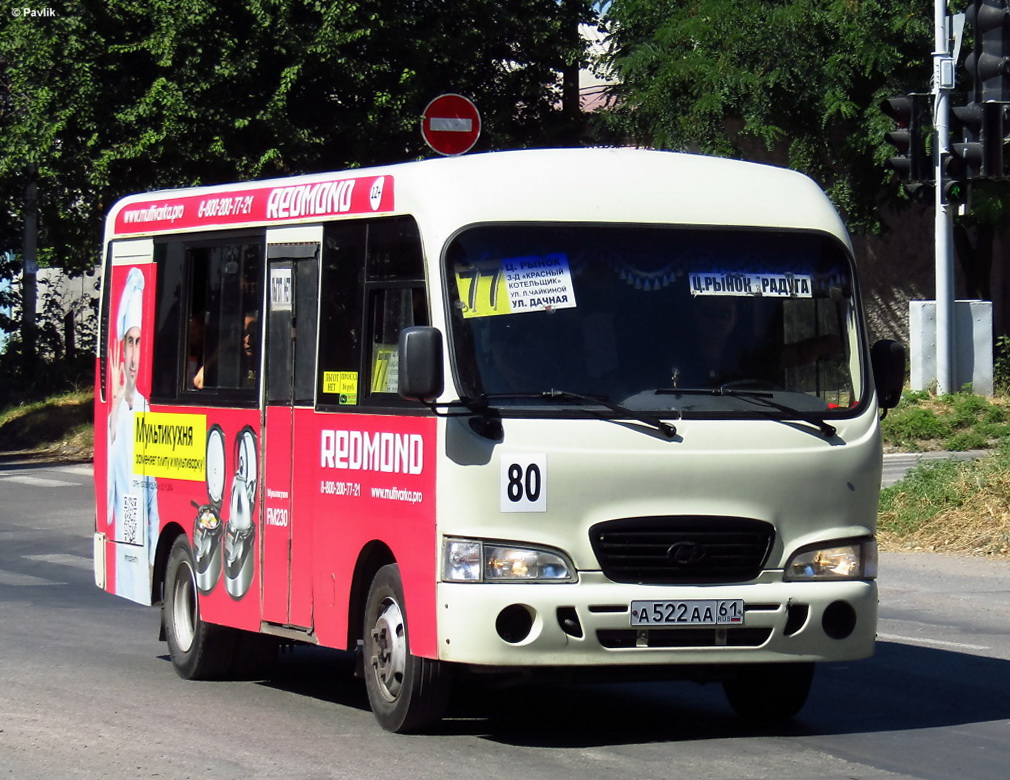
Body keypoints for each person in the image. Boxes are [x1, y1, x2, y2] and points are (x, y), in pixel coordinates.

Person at [107, 266, 160, 603]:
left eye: (141, 342)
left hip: (147, 535)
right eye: (130, 342)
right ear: (122, 347)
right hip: (126, 535)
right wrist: (114, 401)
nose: (134, 354)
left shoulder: (147, 409)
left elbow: (153, 501)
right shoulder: (117, 410)